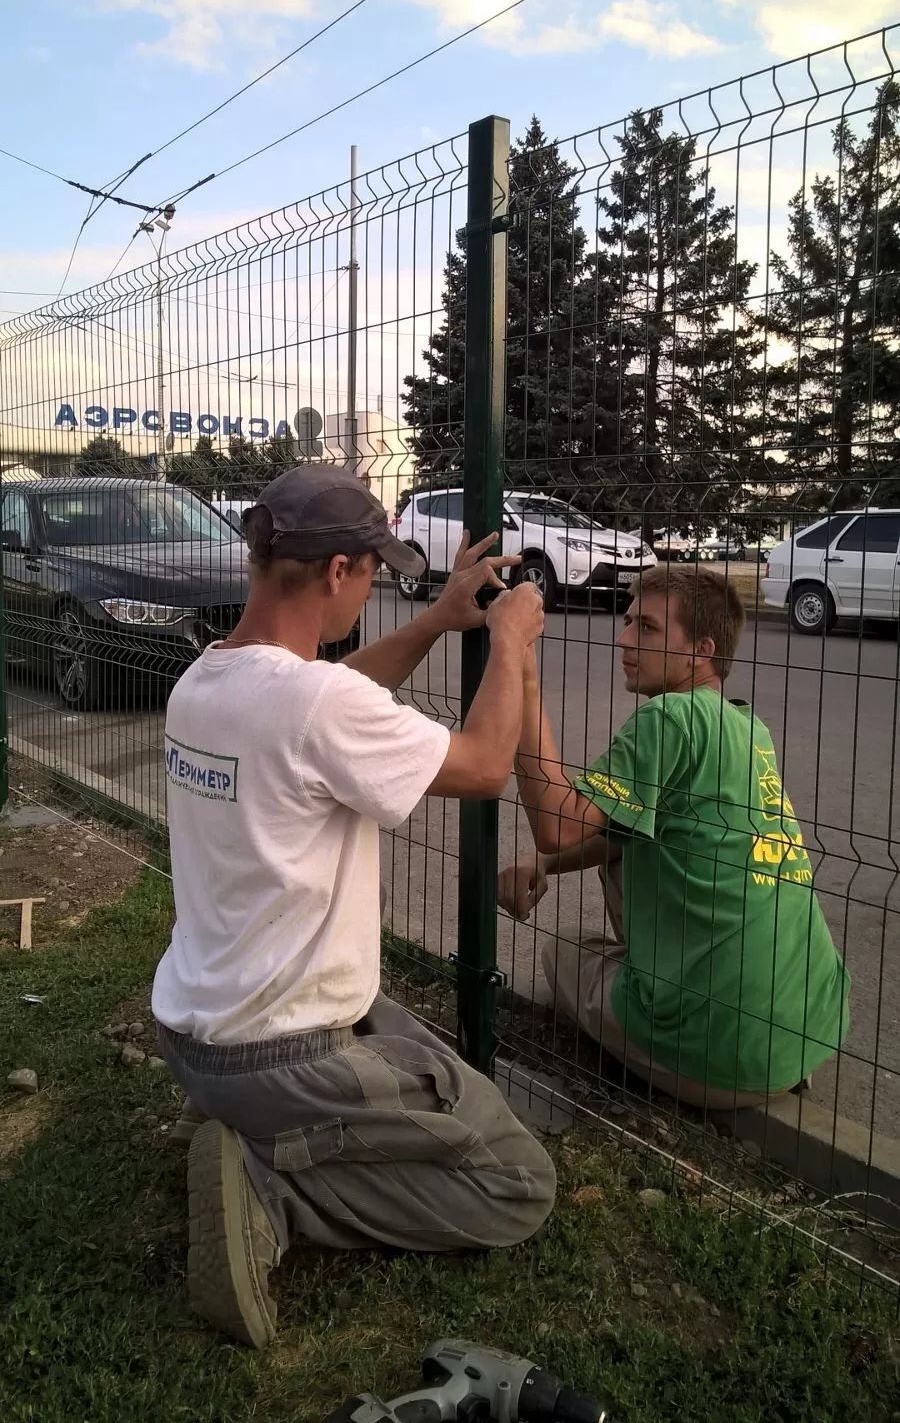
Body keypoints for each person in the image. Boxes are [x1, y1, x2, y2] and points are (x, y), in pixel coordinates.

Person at [152, 465, 556, 1349]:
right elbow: (485, 765)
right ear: (337, 570)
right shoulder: (312, 702)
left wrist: (438, 619)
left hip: (196, 1033)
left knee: (419, 1053)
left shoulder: (206, 683)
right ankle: (273, 1187)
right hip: (279, 1054)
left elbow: (331, 699)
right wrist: (510, 639)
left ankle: (239, 1121)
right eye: (371, 572)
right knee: (517, 1183)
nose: (373, 588)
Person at [498, 564, 850, 1111]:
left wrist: (519, 665)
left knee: (561, 950)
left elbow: (557, 825)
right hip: (808, 1032)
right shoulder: (747, 727)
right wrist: (545, 865)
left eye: (647, 628)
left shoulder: (668, 718)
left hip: (723, 1057)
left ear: (701, 650)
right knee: (634, 840)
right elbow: (621, 829)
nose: (624, 639)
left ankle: (670, 1025)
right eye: (628, 621)